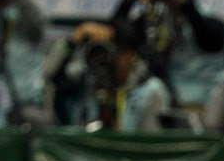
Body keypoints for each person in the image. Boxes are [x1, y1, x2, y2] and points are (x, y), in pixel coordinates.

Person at [43, 19, 171, 131]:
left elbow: (151, 141)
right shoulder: (84, 82)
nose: (114, 58)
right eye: (108, 50)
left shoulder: (150, 91)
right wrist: (72, 41)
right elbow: (48, 75)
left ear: (133, 54)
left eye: (121, 51)